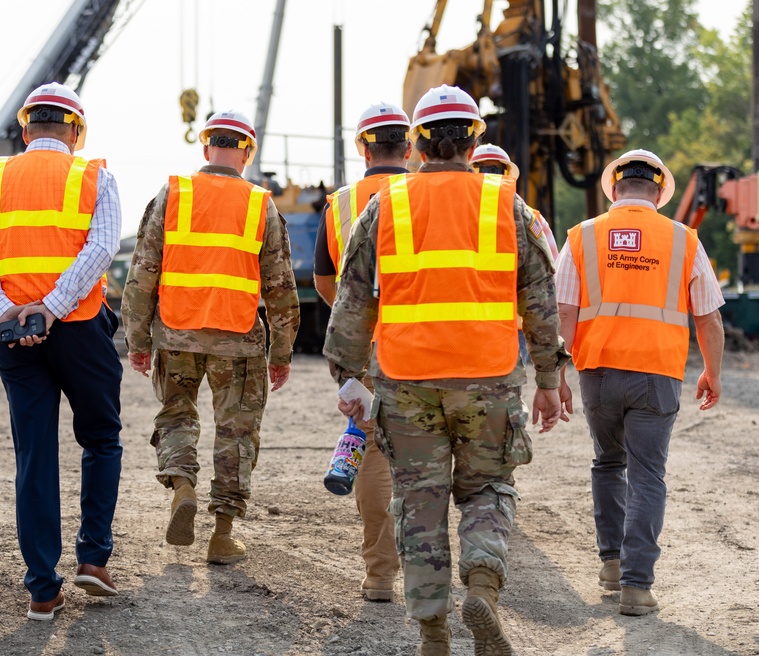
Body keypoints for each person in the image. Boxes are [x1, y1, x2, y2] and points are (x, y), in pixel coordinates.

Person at [323, 84, 568, 656]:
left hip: (405, 379)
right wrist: (551, 380)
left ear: (418, 142)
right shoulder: (506, 204)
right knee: (486, 487)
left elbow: (353, 299)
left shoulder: (386, 206)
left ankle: (433, 629)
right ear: (474, 138)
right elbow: (540, 297)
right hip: (489, 375)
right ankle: (482, 582)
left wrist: (350, 377)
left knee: (419, 499)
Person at [0, 82, 124, 621]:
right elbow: (101, 246)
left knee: (34, 453)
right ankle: (93, 559)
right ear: (75, 131)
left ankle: (41, 589)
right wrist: (52, 306)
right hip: (77, 325)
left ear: (26, 128)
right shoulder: (94, 175)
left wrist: (7, 309)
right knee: (100, 437)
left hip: (13, 333)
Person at [121, 110, 300, 566]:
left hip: (176, 333)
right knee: (236, 431)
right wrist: (281, 352)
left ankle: (182, 484)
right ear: (246, 152)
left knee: (177, 414)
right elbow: (280, 287)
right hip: (238, 338)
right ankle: (222, 534)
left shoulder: (174, 193)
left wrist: (138, 341)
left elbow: (142, 273)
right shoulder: (262, 204)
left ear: (205, 149)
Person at [555, 149, 725, 616]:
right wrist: (712, 371)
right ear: (658, 191)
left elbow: (563, 312)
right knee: (647, 473)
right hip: (657, 375)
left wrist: (556, 375)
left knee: (608, 463)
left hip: (598, 373)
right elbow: (708, 318)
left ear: (614, 189)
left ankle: (611, 563)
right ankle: (635, 586)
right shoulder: (683, 240)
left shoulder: (582, 237)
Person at [313, 101, 411, 603]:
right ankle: (432, 568)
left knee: (372, 452)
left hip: (371, 346)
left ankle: (379, 576)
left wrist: (355, 320)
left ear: (362, 147)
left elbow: (324, 278)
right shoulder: (424, 195)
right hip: (425, 343)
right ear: (409, 146)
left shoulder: (343, 202)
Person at [469, 143, 559, 365]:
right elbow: (549, 278)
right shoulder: (531, 218)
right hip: (511, 326)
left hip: (465, 325)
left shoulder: (451, 215)